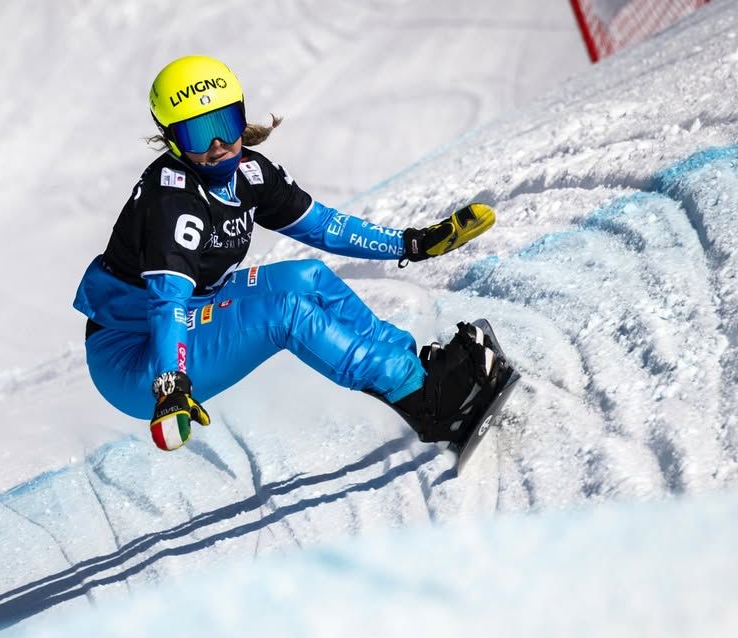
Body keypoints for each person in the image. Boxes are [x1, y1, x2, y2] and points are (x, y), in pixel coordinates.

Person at [74, 55, 509, 452]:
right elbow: (167, 300)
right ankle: (424, 402)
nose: (218, 144)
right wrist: (170, 385)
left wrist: (410, 243)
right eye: (197, 133)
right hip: (137, 354)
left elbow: (322, 226)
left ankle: (411, 372)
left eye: (226, 122)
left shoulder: (249, 172)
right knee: (285, 313)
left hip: (187, 310)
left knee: (309, 278)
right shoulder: (173, 200)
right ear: (171, 140)